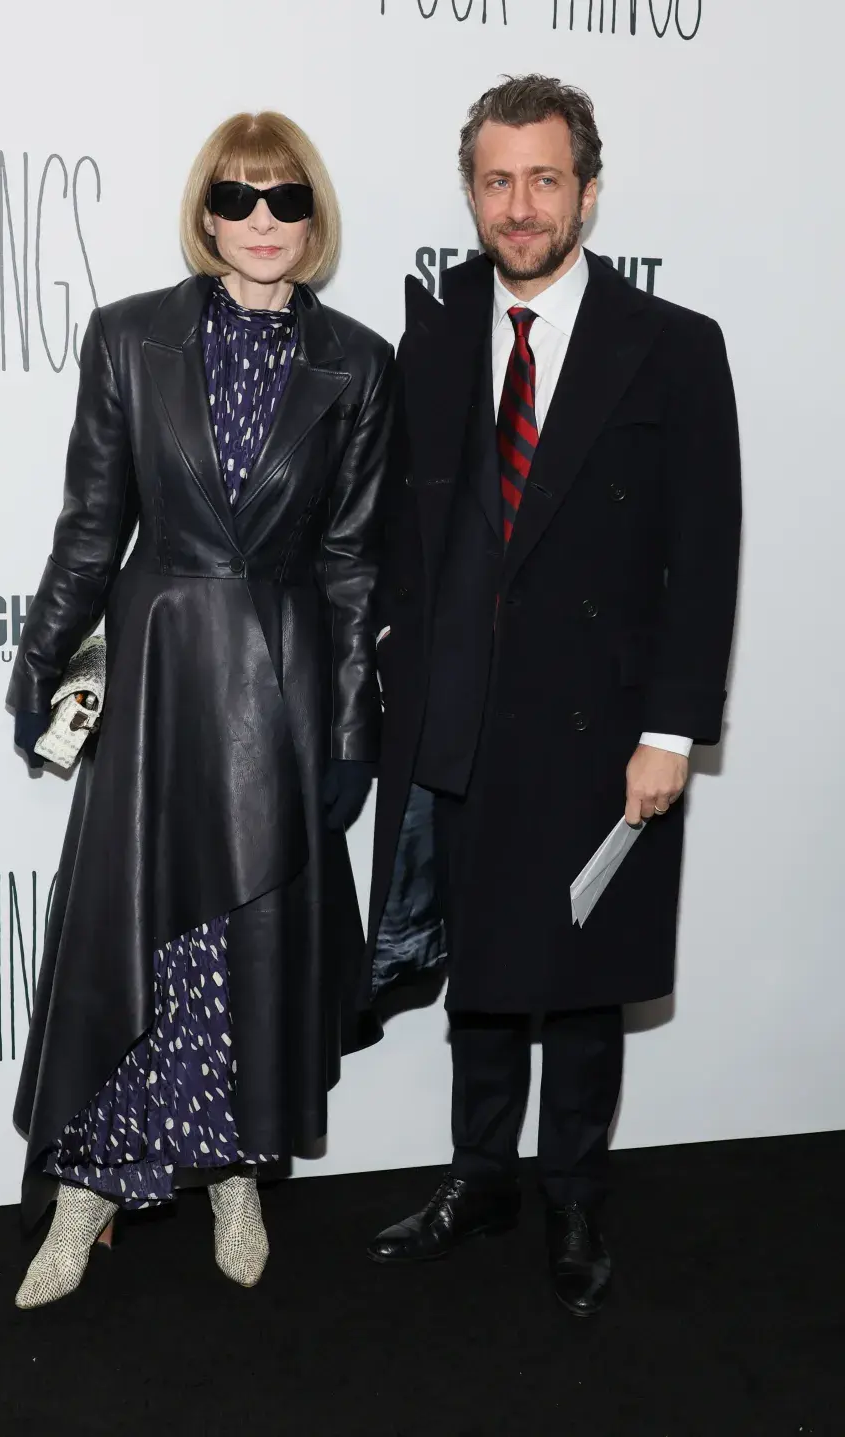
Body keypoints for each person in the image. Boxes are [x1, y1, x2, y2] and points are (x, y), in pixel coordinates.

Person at [364, 75, 741, 1316]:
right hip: (463, 712)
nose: (519, 206)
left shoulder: (675, 347)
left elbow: (706, 548)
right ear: (470, 191)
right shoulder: (432, 332)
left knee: (584, 978)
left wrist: (673, 728)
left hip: (606, 723)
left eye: (543, 178)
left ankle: (575, 1194)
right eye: (496, 180)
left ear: (588, 186)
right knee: (480, 970)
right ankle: (481, 1177)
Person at [8, 111, 395, 1308]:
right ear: (206, 212)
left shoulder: (359, 363)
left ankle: (232, 1171)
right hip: (162, 671)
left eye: (286, 201)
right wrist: (39, 660)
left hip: (275, 685)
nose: (263, 223)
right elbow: (91, 523)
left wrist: (347, 731)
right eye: (238, 200)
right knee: (133, 933)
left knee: (244, 947)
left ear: (315, 216)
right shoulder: (129, 338)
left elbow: (351, 566)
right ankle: (86, 1194)